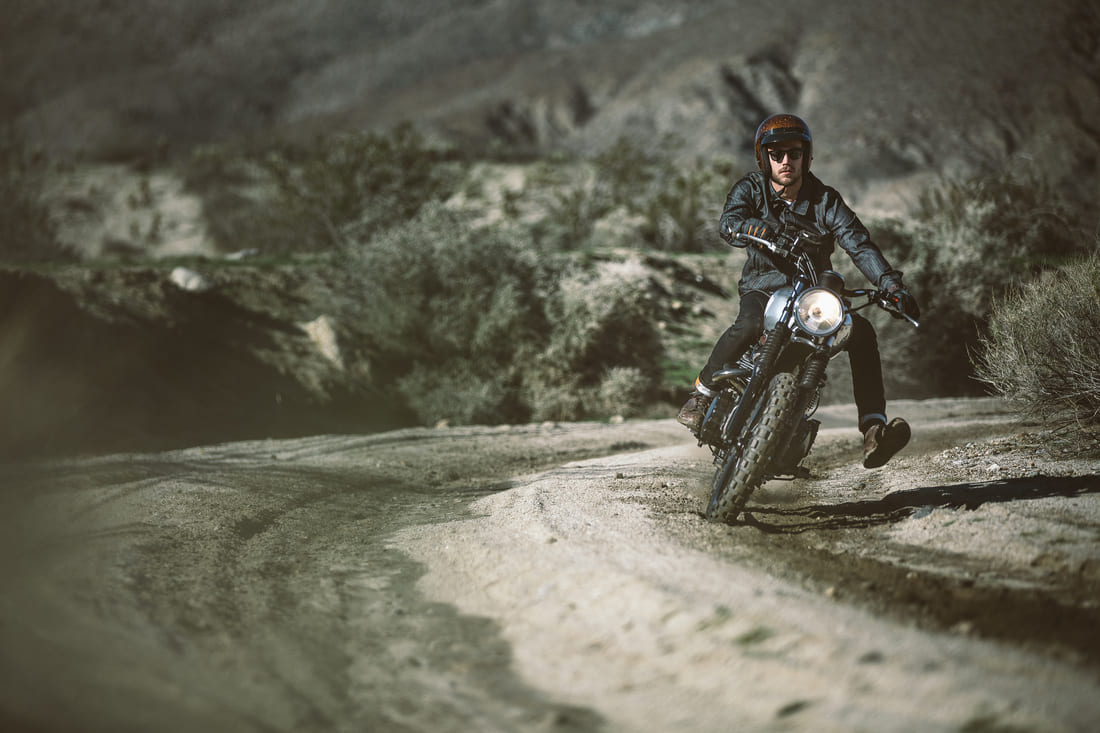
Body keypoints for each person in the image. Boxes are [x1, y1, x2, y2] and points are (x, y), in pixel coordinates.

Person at [676, 113, 920, 469]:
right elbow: (729, 223)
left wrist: (891, 285)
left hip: (813, 299)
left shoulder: (825, 200)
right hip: (764, 289)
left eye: (794, 153)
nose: (786, 161)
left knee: (863, 333)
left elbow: (858, 243)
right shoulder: (750, 188)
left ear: (806, 155)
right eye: (777, 154)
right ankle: (701, 394)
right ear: (765, 158)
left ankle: (873, 429)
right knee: (747, 326)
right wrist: (762, 231)